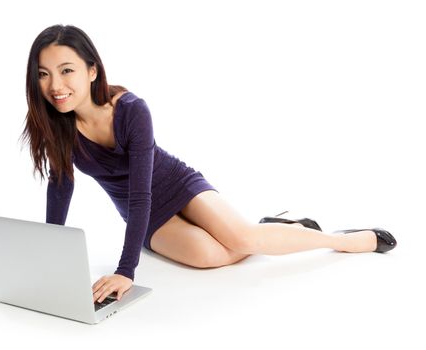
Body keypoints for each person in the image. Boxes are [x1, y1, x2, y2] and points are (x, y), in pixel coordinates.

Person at [20, 24, 397, 304]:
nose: (55, 85)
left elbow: (140, 192)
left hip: (176, 185)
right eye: (44, 73)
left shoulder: (132, 110)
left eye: (66, 70)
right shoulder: (57, 126)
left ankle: (342, 240)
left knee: (244, 240)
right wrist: (51, 254)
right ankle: (275, 226)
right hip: (150, 216)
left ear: (91, 71)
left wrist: (125, 270)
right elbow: (61, 187)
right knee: (211, 256)